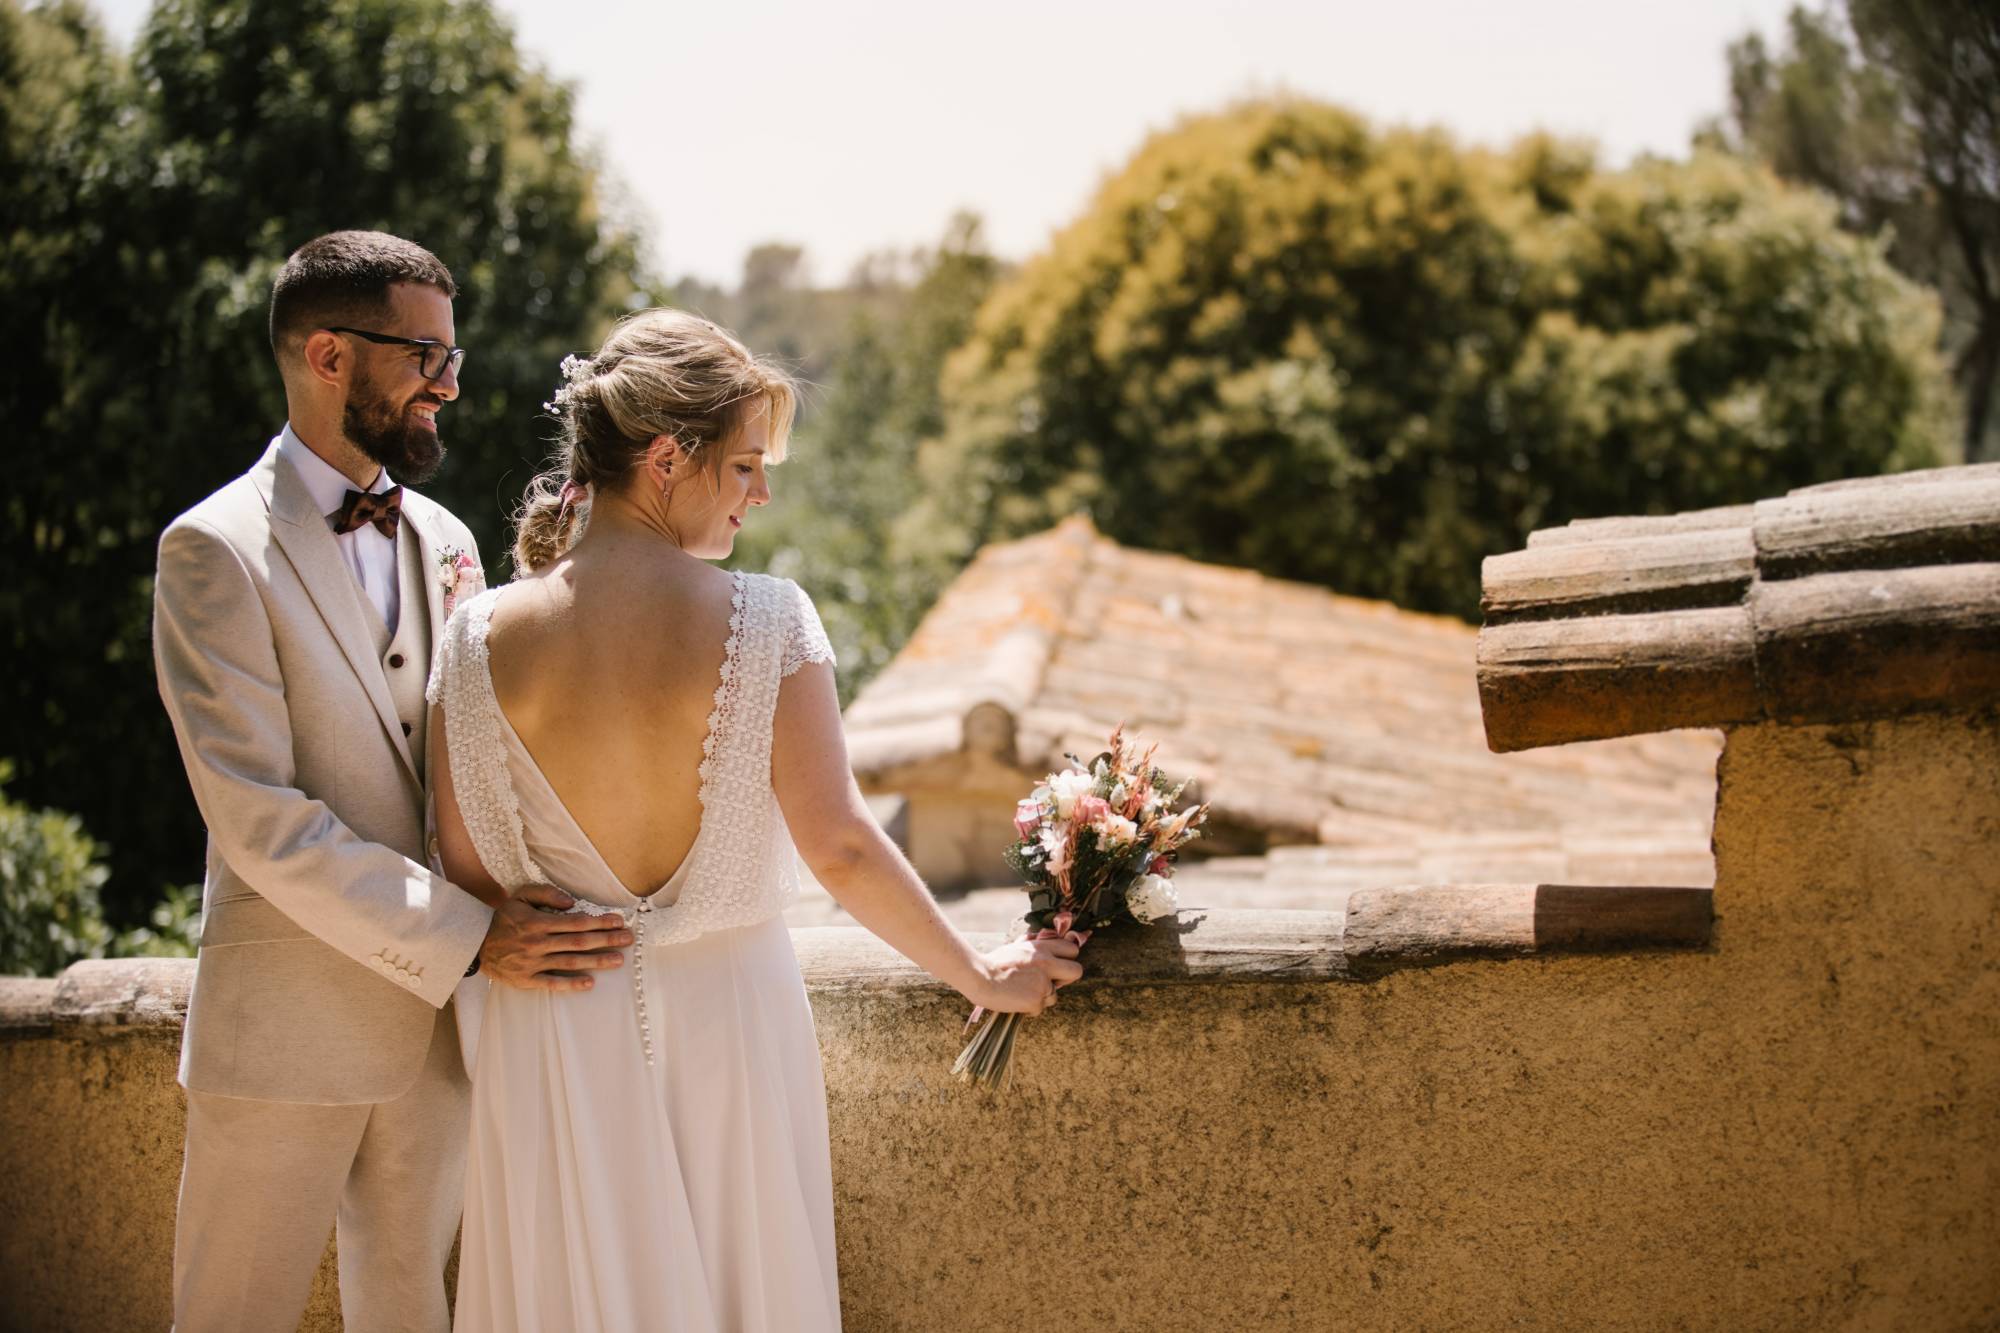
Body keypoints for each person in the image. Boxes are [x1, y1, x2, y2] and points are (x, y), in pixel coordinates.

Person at [430, 308, 1082, 1331]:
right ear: (663, 459)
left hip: (549, 1040)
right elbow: (839, 845)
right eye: (742, 467)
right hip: (727, 1036)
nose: (761, 494)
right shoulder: (768, 618)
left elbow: (463, 869)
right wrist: (980, 972)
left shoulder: (473, 638)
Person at [152, 230, 632, 1332]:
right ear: (329, 355)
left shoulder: (451, 539)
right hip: (286, 1026)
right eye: (426, 358)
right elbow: (257, 818)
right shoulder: (213, 549)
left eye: (451, 361)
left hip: (445, 1036)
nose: (448, 386)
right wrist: (470, 933)